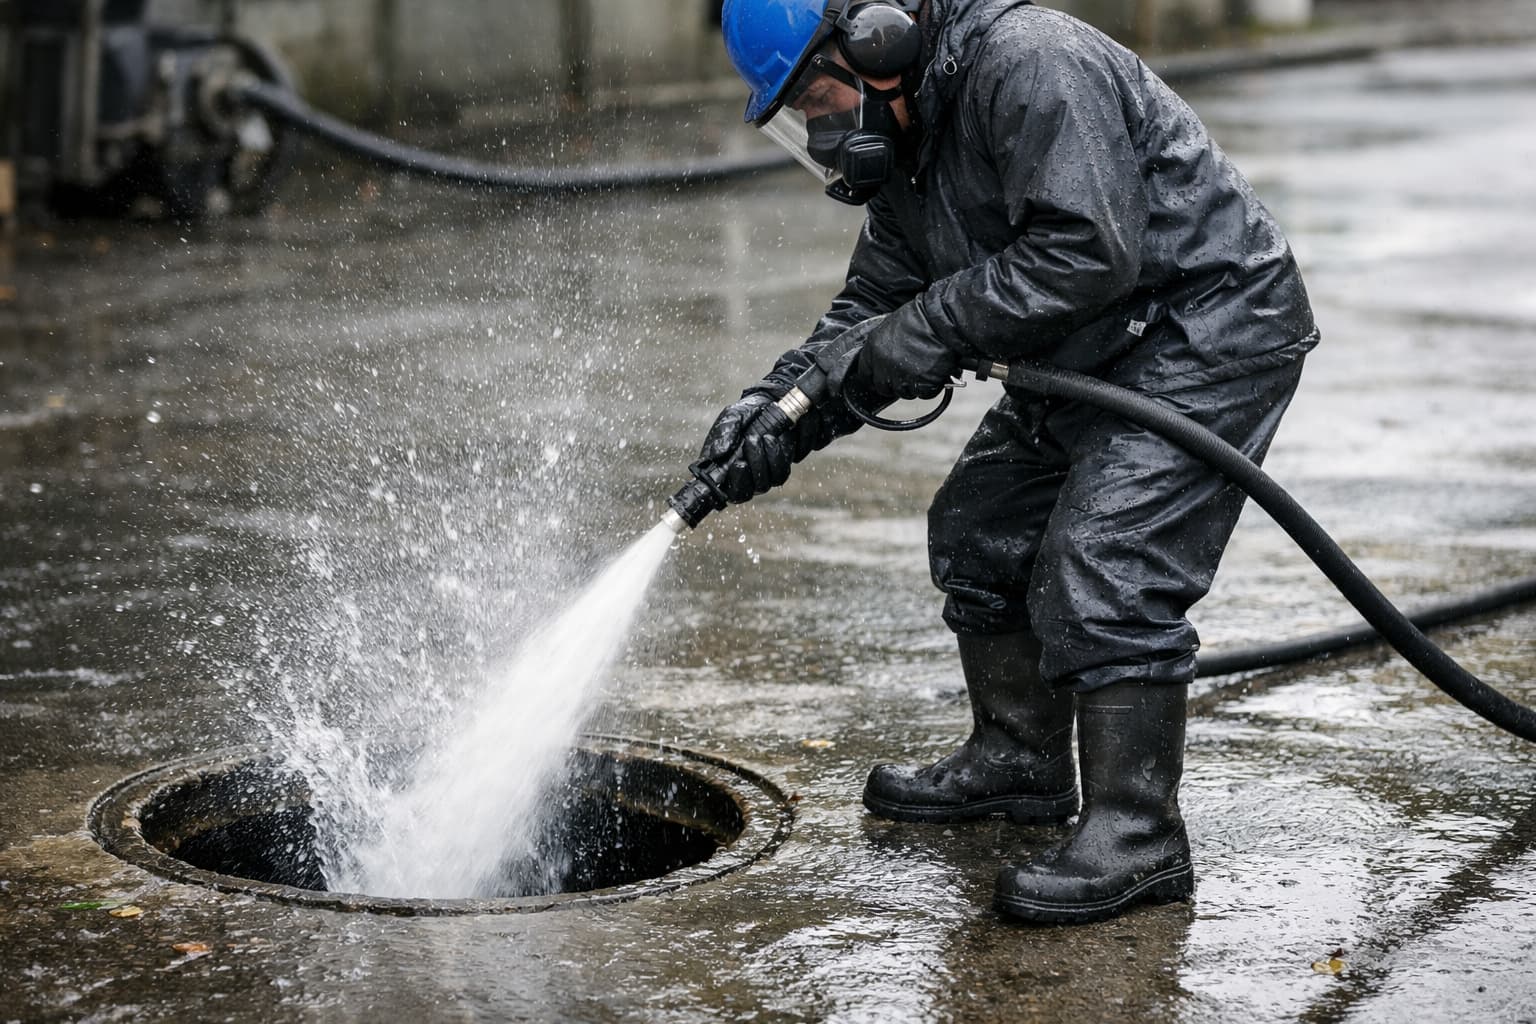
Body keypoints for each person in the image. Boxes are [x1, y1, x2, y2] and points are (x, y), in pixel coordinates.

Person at [701, 0, 1319, 924]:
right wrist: (775, 416)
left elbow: (1086, 250)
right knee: (979, 527)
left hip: (1206, 327)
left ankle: (1139, 835)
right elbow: (872, 305)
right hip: (1093, 347)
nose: (824, 129)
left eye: (819, 95)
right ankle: (1020, 764)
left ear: (877, 43)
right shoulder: (913, 139)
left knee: (1104, 559)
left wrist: (931, 329)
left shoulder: (1028, 63)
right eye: (798, 112)